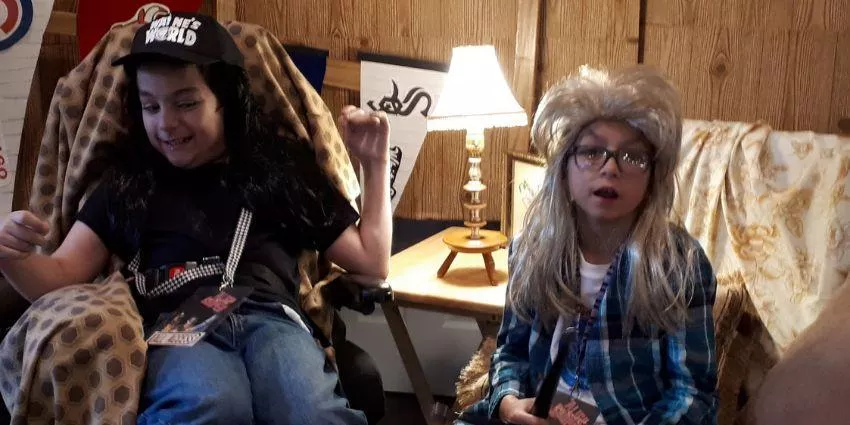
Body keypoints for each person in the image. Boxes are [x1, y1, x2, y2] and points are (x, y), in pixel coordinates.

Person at [0, 12, 390, 425]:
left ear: (226, 101)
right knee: (211, 405)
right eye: (150, 106)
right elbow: (60, 274)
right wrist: (11, 256)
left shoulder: (281, 169)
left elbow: (371, 259)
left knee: (310, 413)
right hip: (177, 325)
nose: (166, 123)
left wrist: (375, 165)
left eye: (186, 103)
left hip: (273, 320)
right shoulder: (128, 181)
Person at [457, 66, 718, 425]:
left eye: (632, 157)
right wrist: (508, 404)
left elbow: (692, 394)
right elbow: (510, 353)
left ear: (652, 178)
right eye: (593, 152)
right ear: (563, 169)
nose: (610, 168)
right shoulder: (530, 250)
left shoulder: (680, 264)